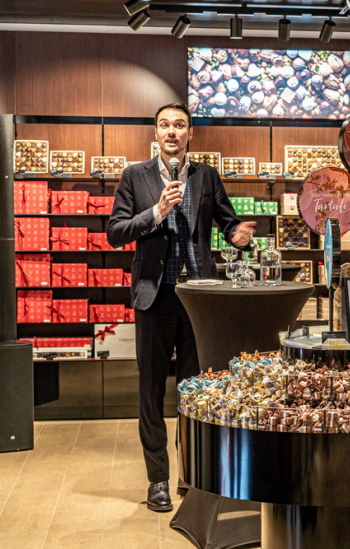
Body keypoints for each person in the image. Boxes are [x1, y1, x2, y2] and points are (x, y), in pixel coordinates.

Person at [107, 102, 255, 512]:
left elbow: (227, 221)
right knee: (151, 392)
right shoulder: (134, 176)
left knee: (195, 390)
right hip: (155, 298)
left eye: (180, 125)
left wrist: (238, 235)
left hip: (199, 299)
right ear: (155, 133)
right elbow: (115, 232)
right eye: (164, 125)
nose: (172, 132)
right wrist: (156, 212)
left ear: (191, 134)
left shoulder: (205, 175)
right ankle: (157, 479)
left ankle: (192, 473)